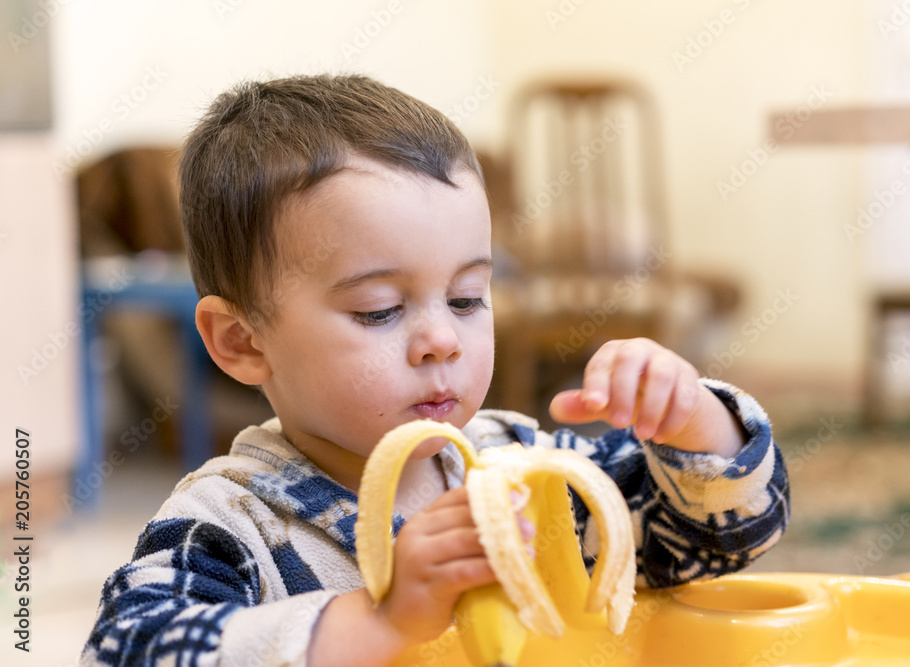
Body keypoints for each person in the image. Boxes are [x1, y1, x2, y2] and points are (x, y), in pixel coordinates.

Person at [81, 74, 789, 667]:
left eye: (466, 298)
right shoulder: (226, 526)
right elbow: (127, 649)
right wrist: (378, 621)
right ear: (241, 340)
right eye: (380, 310)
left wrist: (693, 418)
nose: (441, 340)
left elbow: (719, 535)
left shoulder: (528, 471)